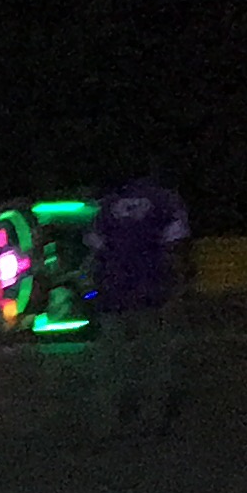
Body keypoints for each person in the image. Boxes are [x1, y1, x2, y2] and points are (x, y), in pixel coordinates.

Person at [87, 175, 191, 437]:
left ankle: (112, 417)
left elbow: (96, 249)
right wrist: (177, 288)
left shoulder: (107, 205)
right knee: (154, 355)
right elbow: (175, 247)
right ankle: (152, 417)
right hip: (153, 290)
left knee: (112, 358)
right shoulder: (166, 202)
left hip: (113, 290)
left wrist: (94, 287)